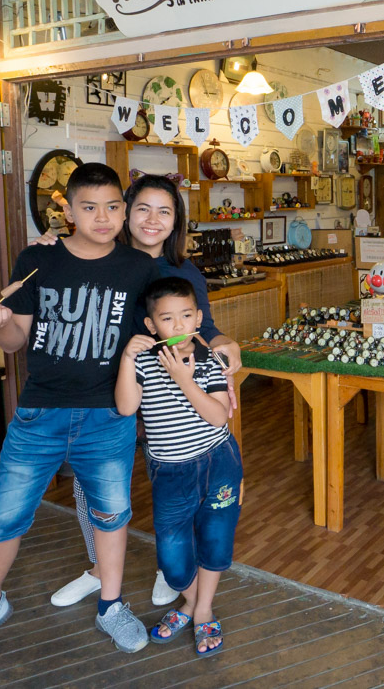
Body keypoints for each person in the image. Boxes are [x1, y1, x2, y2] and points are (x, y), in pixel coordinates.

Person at [0, 163, 163, 672]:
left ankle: (111, 604)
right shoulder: (38, 260)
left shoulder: (138, 267)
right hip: (40, 413)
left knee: (111, 514)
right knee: (2, 518)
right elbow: (16, 341)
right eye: (89, 207)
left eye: (113, 207)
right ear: (68, 210)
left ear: (123, 209)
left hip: (107, 415)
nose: (103, 218)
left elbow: (171, 315)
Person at [42, 174, 243, 610]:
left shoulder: (184, 271)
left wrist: (225, 340)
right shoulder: (99, 257)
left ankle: (170, 568)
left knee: (171, 476)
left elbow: (203, 326)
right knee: (92, 482)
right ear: (125, 212)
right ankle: (99, 569)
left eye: (164, 211)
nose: (153, 220)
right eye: (143, 209)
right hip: (102, 388)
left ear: (176, 220)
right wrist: (51, 249)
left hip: (166, 392)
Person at [117, 276, 240, 657]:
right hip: (170, 471)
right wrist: (126, 358)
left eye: (186, 315)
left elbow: (218, 417)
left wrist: (185, 381)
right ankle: (190, 599)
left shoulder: (209, 360)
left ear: (199, 318)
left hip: (218, 462)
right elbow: (126, 407)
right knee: (172, 554)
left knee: (216, 538)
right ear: (151, 325)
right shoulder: (142, 362)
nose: (178, 325)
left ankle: (200, 609)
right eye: (167, 318)